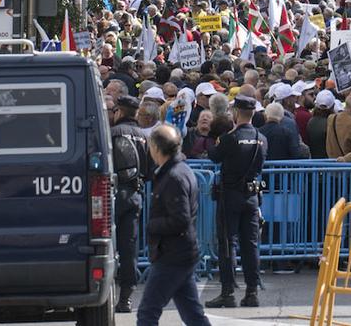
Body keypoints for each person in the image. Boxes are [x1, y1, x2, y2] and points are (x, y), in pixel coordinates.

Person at [137, 125, 211, 326]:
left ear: (156, 148)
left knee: (147, 313)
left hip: (172, 254)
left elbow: (180, 219)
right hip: (181, 252)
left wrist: (152, 225)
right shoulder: (179, 171)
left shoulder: (174, 177)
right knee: (193, 314)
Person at [206, 95, 265, 309]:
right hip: (251, 196)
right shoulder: (261, 138)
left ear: (236, 113)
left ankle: (227, 292)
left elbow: (214, 155)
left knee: (227, 244)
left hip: (230, 195)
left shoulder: (230, 138)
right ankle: (252, 292)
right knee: (250, 245)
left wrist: (217, 138)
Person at [108, 96, 148, 314]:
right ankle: (126, 298)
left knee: (105, 244)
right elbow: (149, 171)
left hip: (111, 195)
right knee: (129, 247)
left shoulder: (112, 133)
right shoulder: (143, 136)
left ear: (119, 111)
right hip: (134, 195)